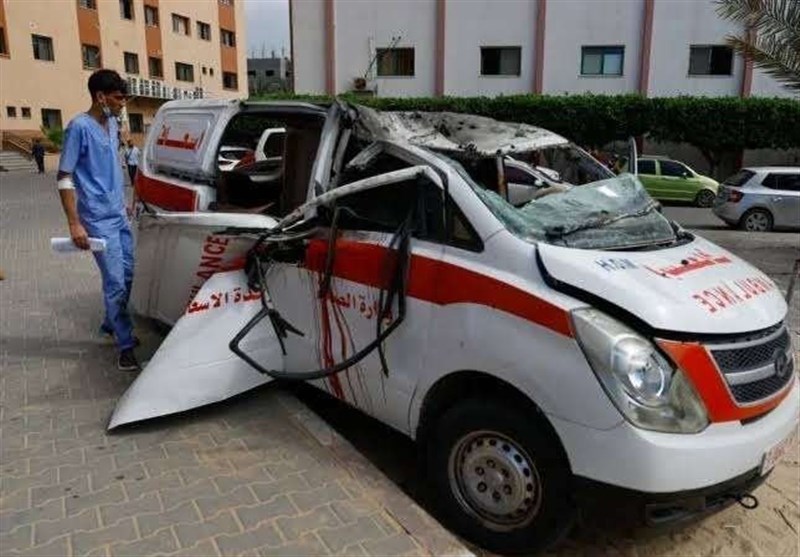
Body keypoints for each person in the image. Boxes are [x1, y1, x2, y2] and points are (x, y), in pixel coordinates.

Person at [56, 69, 140, 372]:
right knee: (115, 282)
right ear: (100, 96)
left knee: (129, 275)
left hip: (118, 214)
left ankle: (110, 323)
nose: (122, 104)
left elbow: (111, 166)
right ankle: (125, 344)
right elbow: (64, 177)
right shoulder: (78, 127)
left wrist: (122, 201)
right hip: (97, 219)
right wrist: (74, 223)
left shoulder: (113, 124)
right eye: (118, 98)